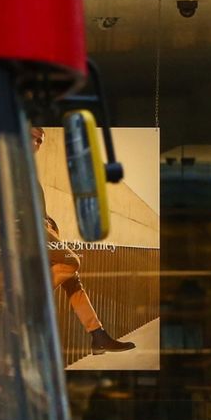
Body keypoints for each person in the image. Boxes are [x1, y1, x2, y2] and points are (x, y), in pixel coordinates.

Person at [30, 125, 133, 353]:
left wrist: (48, 220)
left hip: (40, 229)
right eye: (32, 138)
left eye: (40, 141)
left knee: (72, 279)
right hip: (24, 232)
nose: (36, 144)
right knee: (71, 261)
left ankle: (98, 336)